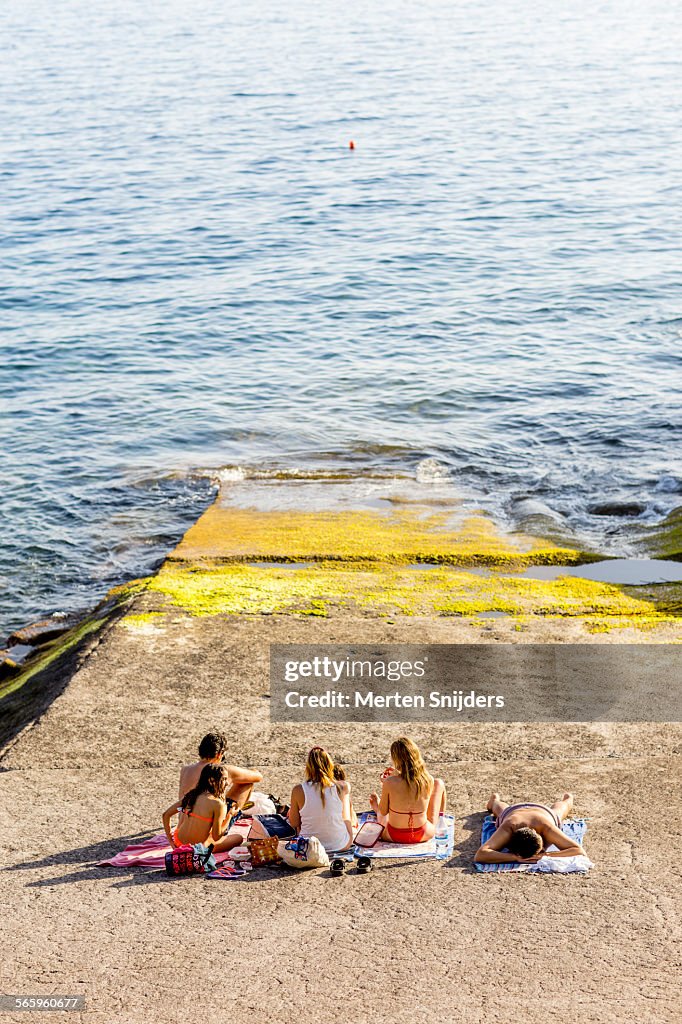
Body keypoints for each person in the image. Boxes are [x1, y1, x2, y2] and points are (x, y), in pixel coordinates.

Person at [368, 736, 446, 844]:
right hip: (423, 834)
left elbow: (384, 811)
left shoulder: (389, 782)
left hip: (393, 835)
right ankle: (442, 822)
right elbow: (410, 784)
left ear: (396, 759)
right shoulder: (428, 779)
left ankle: (376, 808)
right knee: (439, 783)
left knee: (383, 816)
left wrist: (385, 784)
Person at [474, 792, 584, 864]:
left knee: (561, 810)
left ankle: (568, 799)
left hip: (543, 813)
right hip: (513, 812)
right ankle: (494, 801)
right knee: (499, 809)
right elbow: (480, 855)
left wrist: (545, 855)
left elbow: (579, 851)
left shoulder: (546, 827)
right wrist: (514, 857)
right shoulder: (509, 827)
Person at [163, 764, 243, 853]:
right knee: (238, 838)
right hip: (197, 849)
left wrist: (171, 840)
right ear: (211, 781)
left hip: (178, 843)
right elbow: (216, 837)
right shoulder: (217, 804)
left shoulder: (191, 795)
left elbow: (166, 815)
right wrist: (230, 815)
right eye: (224, 779)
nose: (227, 783)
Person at [288, 747, 354, 852]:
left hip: (309, 847)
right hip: (340, 845)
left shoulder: (298, 790)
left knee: (301, 817)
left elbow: (294, 823)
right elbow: (346, 818)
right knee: (346, 807)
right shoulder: (343, 787)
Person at [178, 731, 263, 810]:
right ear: (219, 754)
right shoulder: (222, 771)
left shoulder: (185, 769)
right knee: (247, 782)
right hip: (210, 822)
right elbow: (258, 777)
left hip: (185, 818)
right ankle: (237, 812)